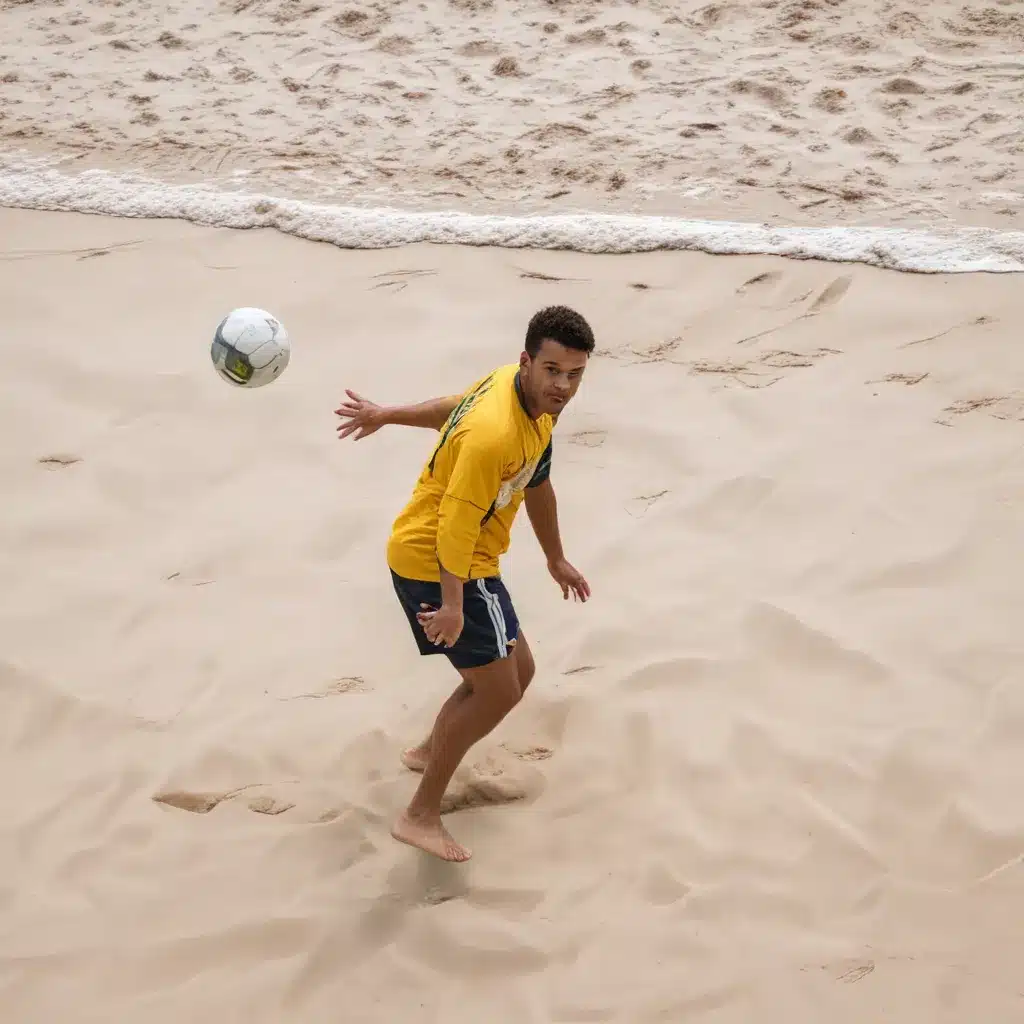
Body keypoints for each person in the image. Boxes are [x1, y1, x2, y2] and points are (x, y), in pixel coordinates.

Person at [334, 305, 595, 862]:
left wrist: (556, 558)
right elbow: (455, 526)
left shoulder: (516, 390)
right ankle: (419, 816)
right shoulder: (492, 437)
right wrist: (452, 606)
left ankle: (430, 750)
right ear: (528, 361)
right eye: (553, 371)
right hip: (443, 561)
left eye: (574, 374)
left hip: (459, 557)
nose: (564, 386)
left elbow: (466, 423)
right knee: (498, 690)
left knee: (518, 674)